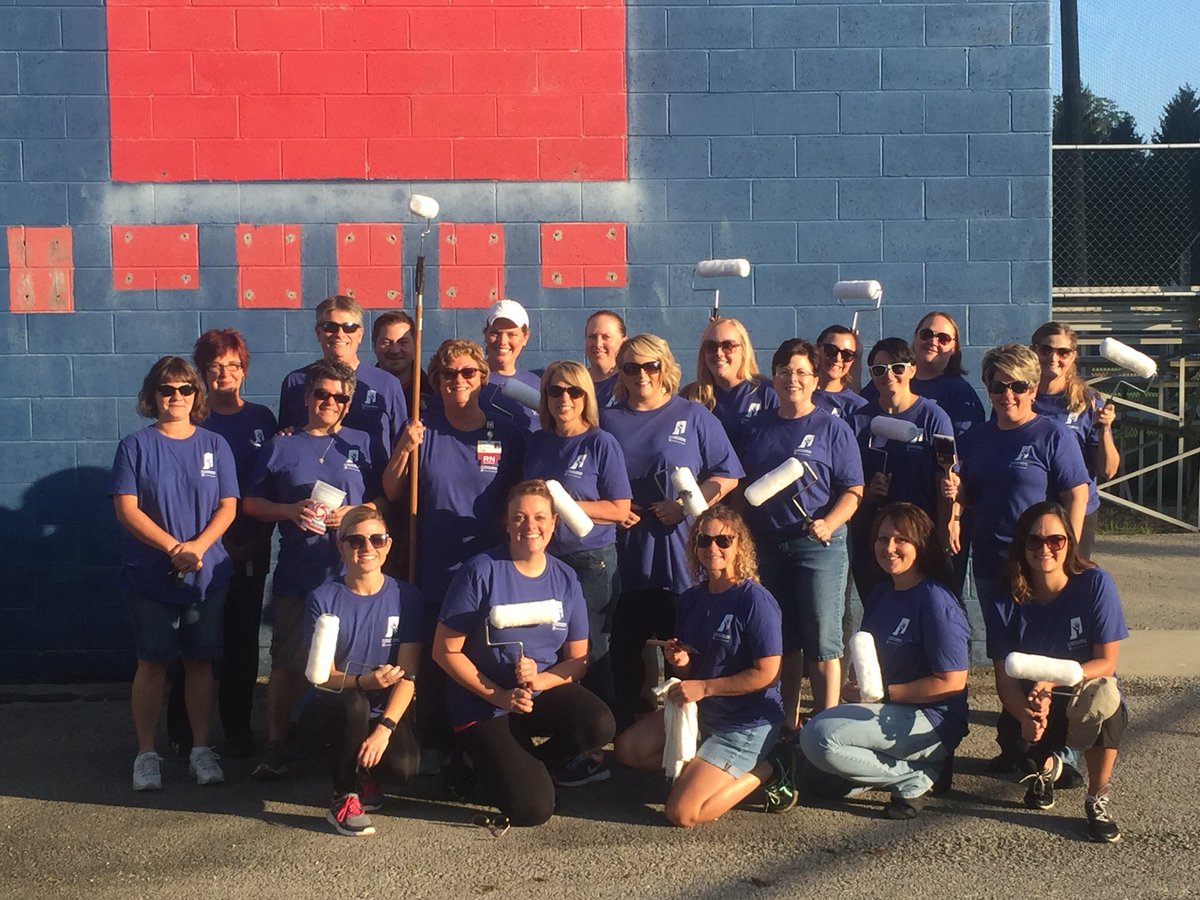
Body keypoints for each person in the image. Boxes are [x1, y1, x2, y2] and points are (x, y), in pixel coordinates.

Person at [942, 343, 1090, 774]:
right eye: (997, 387)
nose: (1008, 395)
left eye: (1018, 386)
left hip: (1041, 562)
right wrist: (958, 496)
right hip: (992, 561)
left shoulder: (1050, 434)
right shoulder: (979, 437)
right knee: (1008, 655)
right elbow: (972, 495)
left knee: (1047, 654)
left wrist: (1068, 554)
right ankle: (1016, 747)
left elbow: (1075, 494)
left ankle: (1063, 752)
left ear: (1032, 387)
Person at [433, 481, 616, 827]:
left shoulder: (565, 578)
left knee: (599, 724)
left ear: (553, 523)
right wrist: (500, 694)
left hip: (535, 694)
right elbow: (445, 651)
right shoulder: (481, 571)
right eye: (519, 517)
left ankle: (527, 763)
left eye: (539, 517)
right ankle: (473, 760)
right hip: (482, 701)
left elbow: (577, 662)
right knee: (532, 810)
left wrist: (537, 680)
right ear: (506, 523)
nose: (529, 526)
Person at [383, 339, 526, 755]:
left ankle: (491, 745)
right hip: (435, 566)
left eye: (467, 372)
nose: (458, 380)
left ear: (482, 377)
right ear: (436, 380)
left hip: (493, 570)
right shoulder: (421, 429)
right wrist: (405, 449)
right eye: (448, 374)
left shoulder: (506, 433)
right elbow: (392, 490)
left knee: (487, 660)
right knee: (436, 662)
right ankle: (437, 748)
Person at [614, 506, 795, 826]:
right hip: (703, 714)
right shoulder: (691, 599)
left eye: (724, 540)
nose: (713, 548)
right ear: (694, 546)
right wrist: (680, 661)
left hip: (746, 722)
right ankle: (705, 767)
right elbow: (691, 668)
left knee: (682, 813)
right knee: (629, 750)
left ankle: (768, 768)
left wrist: (704, 687)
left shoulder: (755, 600)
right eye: (704, 540)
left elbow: (768, 674)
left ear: (740, 545)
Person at [244, 359, 381, 780]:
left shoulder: (361, 442)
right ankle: (276, 743)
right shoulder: (281, 445)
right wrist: (290, 509)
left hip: (352, 577)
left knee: (348, 664)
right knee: (288, 663)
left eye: (339, 397)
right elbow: (250, 503)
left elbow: (380, 503)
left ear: (349, 402)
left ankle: (334, 742)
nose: (330, 403)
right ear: (306, 397)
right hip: (299, 573)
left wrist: (353, 513)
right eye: (321, 394)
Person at [599, 334, 744, 730]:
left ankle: (694, 734)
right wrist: (615, 508)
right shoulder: (606, 419)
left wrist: (685, 505)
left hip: (680, 553)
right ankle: (631, 733)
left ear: (665, 368)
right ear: (621, 373)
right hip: (624, 553)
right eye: (631, 367)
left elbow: (726, 476)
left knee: (685, 650)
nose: (642, 375)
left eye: (650, 366)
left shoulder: (693, 415)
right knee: (624, 649)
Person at [111, 356, 238, 790]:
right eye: (168, 389)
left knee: (200, 662)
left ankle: (202, 749)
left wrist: (198, 548)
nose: (177, 397)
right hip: (150, 574)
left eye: (186, 389)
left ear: (196, 395)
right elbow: (126, 509)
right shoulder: (135, 446)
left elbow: (229, 505)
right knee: (152, 663)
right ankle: (147, 754)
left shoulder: (215, 446)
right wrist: (172, 548)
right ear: (153, 395)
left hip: (206, 574)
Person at [799, 503, 969, 819]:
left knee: (819, 739)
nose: (889, 548)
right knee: (813, 775)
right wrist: (855, 689)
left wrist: (888, 694)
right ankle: (919, 767)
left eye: (900, 540)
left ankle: (916, 777)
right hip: (888, 710)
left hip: (932, 719)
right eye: (882, 538)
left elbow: (952, 682)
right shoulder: (882, 593)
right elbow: (869, 663)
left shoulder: (936, 601)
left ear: (920, 545)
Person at [737, 339, 863, 729]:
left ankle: (827, 726)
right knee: (783, 640)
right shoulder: (755, 429)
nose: (793, 379)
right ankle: (787, 724)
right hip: (768, 547)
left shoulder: (832, 428)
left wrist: (829, 522)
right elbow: (743, 493)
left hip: (818, 546)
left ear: (815, 379)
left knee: (824, 641)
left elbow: (853, 491)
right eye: (785, 372)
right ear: (773, 378)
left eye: (801, 372)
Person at [993, 501, 1128, 843]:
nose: (1045, 549)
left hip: (1079, 691)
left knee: (1107, 701)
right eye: (1035, 541)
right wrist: (1024, 714)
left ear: (1070, 542)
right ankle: (1049, 769)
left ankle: (1098, 798)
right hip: (1031, 695)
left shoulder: (1095, 583)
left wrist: (1052, 681)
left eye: (1055, 540)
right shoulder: (1006, 595)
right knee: (1015, 739)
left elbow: (1106, 662)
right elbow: (1005, 678)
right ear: (1022, 545)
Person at [175, 330, 278, 760]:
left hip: (250, 550)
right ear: (201, 372)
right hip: (201, 555)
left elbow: (273, 485)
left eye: (233, 366)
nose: (224, 374)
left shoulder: (262, 420)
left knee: (240, 644)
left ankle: (237, 731)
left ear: (244, 370)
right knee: (196, 645)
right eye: (215, 367)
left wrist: (256, 542)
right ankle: (182, 733)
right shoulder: (189, 423)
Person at [298, 506, 424, 837]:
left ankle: (366, 772)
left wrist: (384, 730)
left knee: (404, 770)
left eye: (376, 539)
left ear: (388, 545)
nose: (367, 548)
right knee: (355, 702)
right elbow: (321, 676)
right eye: (355, 541)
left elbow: (409, 675)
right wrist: (363, 681)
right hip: (332, 707)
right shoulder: (323, 598)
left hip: (381, 711)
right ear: (341, 547)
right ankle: (343, 795)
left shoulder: (406, 597)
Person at [523, 361, 631, 737]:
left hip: (591, 562)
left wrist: (561, 500)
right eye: (555, 391)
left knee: (590, 650)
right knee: (551, 645)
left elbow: (619, 509)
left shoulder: (601, 443)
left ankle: (599, 738)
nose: (564, 399)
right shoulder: (537, 442)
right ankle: (563, 727)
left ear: (586, 397)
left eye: (574, 391)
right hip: (545, 562)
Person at [849, 338, 954, 602]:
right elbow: (846, 482)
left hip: (921, 538)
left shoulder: (934, 417)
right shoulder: (859, 421)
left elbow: (947, 474)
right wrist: (869, 492)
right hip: (874, 541)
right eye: (879, 370)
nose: (889, 376)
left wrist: (944, 531)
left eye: (897, 368)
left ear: (912, 369)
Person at [278, 294, 408, 464]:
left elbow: (402, 445)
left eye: (349, 327)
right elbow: (285, 439)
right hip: (311, 485)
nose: (339, 334)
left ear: (360, 334)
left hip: (373, 487)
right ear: (318, 332)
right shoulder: (296, 382)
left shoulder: (387, 384)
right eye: (329, 326)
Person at [1030, 322, 1119, 559]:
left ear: (1073, 357)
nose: (1053, 358)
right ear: (1034, 351)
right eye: (1046, 350)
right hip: (1032, 508)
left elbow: (1108, 470)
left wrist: (1104, 429)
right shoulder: (1018, 395)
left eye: (1063, 352)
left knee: (1069, 583)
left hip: (1076, 510)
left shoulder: (1087, 402)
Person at [681, 317, 778, 446]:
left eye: (728, 346)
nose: (719, 353)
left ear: (743, 351)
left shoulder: (767, 394)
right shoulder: (691, 396)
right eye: (711, 346)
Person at [372, 310, 428, 409]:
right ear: (374, 346)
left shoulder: (432, 391)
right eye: (386, 342)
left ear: (416, 346)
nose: (395, 350)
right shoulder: (359, 390)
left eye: (403, 342)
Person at [482, 298, 539, 393]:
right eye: (495, 333)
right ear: (485, 335)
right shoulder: (468, 381)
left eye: (511, 334)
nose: (502, 342)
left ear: (525, 337)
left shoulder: (535, 384)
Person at [813, 325, 867, 421]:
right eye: (831, 350)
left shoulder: (858, 407)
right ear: (816, 349)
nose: (838, 359)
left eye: (847, 354)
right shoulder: (795, 395)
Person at [584, 309, 627, 410]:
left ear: (624, 342)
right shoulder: (574, 384)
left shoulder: (631, 383)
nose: (598, 344)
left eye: (606, 337)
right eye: (592, 337)